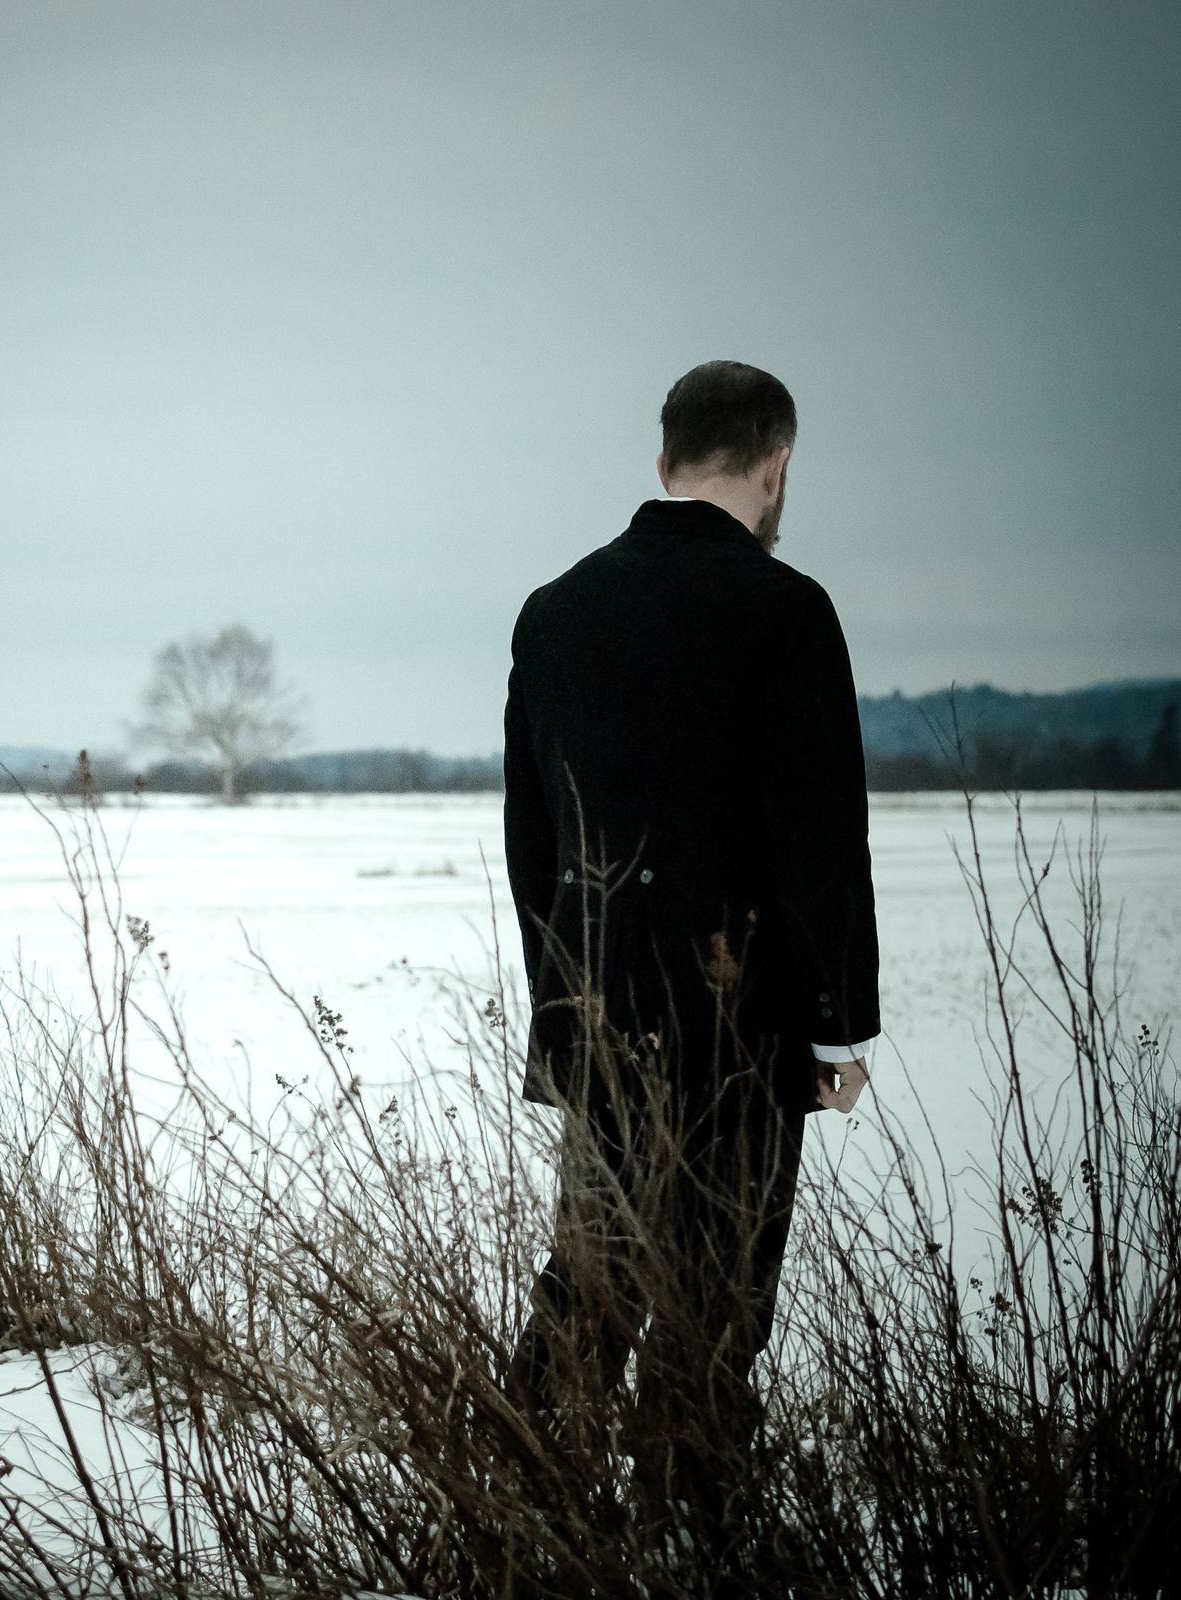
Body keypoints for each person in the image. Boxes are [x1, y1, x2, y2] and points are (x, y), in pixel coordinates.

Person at [499, 359, 880, 1529]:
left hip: (599, 1013)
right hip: (739, 1021)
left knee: (592, 1281)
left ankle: (515, 1503)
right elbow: (820, 836)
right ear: (777, 467)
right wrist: (834, 1025)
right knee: (715, 1302)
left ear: (663, 461)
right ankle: (687, 1535)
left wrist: (566, 1001)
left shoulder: (554, 610)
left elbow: (533, 840)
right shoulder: (785, 610)